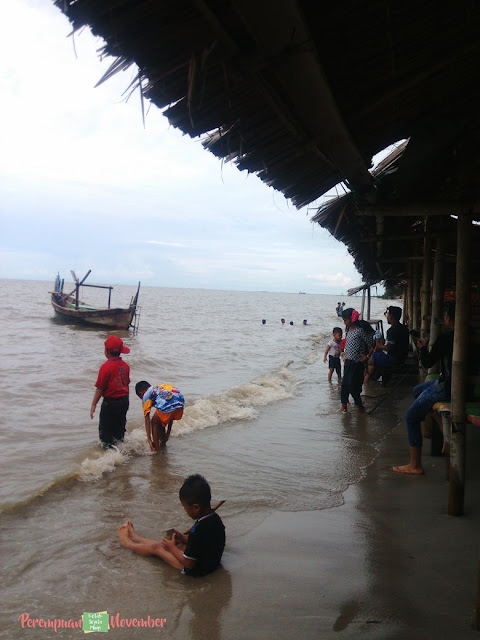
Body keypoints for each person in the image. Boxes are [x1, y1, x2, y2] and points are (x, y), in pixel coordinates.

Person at [118, 474, 225, 577]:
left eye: (185, 508)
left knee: (158, 548)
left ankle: (128, 544)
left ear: (196, 507)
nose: (185, 510)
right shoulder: (215, 519)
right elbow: (203, 540)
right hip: (211, 563)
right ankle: (136, 538)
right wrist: (183, 538)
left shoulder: (199, 529)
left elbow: (188, 563)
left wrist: (172, 548)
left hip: (197, 571)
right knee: (174, 545)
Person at [393, 302, 455, 475]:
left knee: (411, 416)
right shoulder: (473, 336)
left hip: (447, 387)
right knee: (417, 391)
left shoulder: (446, 338)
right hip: (467, 387)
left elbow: (428, 363)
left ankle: (415, 465)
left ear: (449, 319)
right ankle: (441, 425)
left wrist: (422, 349)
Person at [90, 336, 130, 448]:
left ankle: (109, 457)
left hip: (110, 403)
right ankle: (121, 452)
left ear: (106, 351)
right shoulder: (125, 366)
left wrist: (94, 404)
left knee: (106, 434)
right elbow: (126, 383)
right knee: (119, 431)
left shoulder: (105, 367)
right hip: (124, 401)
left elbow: (100, 388)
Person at [340, 308, 374, 412]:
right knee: (344, 385)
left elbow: (371, 344)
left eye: (346, 320)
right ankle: (344, 406)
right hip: (348, 362)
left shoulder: (360, 331)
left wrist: (367, 356)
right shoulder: (348, 330)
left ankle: (360, 406)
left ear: (352, 319)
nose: (344, 322)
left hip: (356, 363)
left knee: (352, 386)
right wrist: (344, 354)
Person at [135, 381, 185, 452]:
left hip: (168, 405)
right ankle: (163, 443)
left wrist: (149, 440)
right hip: (180, 402)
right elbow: (171, 415)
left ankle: (156, 450)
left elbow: (147, 419)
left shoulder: (146, 395)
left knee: (154, 422)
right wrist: (168, 432)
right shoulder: (159, 389)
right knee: (160, 420)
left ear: (141, 393)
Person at [364, 306, 409, 382]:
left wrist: (379, 345)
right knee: (377, 354)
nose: (386, 317)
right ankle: (375, 376)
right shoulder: (404, 328)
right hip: (403, 356)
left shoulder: (392, 330)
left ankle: (367, 379)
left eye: (387, 315)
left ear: (391, 316)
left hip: (394, 358)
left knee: (371, 359)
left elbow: (390, 348)